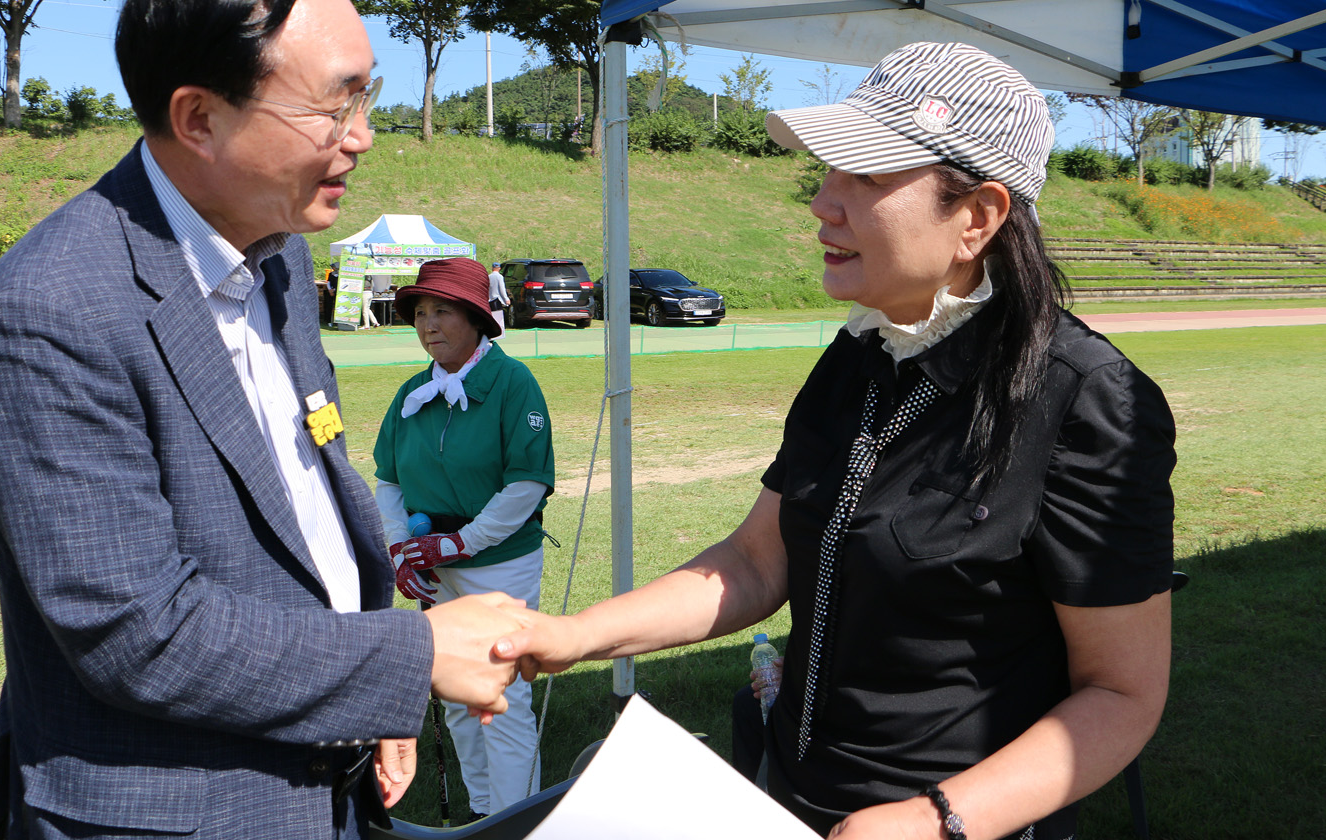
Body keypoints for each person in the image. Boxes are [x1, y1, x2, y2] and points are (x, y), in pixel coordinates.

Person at [499, 42, 1176, 839]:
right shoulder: (862, 351)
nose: (824, 201)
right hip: (785, 798)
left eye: (869, 175)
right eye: (828, 171)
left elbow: (1122, 695)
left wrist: (935, 821)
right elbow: (757, 559)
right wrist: (575, 634)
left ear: (979, 218)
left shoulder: (1086, 398)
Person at [0, 0, 527, 840]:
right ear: (199, 117)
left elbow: (301, 497)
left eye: (367, 96)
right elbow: (136, 630)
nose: (364, 135)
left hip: (326, 783)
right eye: (334, 103)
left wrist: (367, 697)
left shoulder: (280, 254)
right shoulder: (56, 307)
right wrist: (404, 658)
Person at [373, 257, 554, 818]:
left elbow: (527, 483)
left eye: (442, 311)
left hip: (499, 564)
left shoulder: (512, 383)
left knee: (501, 696)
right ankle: (482, 815)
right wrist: (402, 547)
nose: (428, 324)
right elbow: (388, 479)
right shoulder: (411, 393)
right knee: (455, 694)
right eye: (420, 313)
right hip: (433, 566)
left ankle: (515, 820)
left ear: (475, 318)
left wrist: (460, 543)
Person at [488, 261, 511, 332]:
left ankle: (492, 329)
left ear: (492, 268)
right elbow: (502, 289)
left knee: (492, 315)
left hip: (490, 299)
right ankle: (499, 330)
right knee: (499, 316)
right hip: (498, 299)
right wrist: (506, 298)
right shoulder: (500, 277)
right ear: (499, 268)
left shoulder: (489, 276)